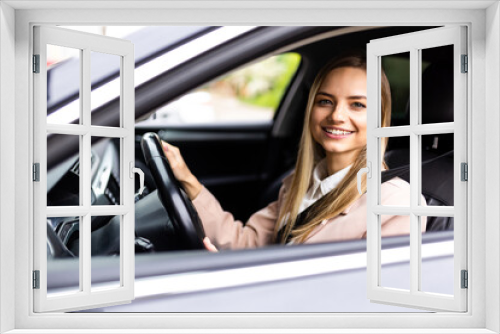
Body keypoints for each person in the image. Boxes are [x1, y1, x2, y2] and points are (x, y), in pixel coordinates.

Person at [161, 53, 426, 251]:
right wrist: (189, 183)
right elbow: (250, 243)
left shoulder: (397, 205)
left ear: (380, 119)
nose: (336, 115)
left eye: (357, 105)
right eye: (325, 101)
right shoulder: (298, 184)